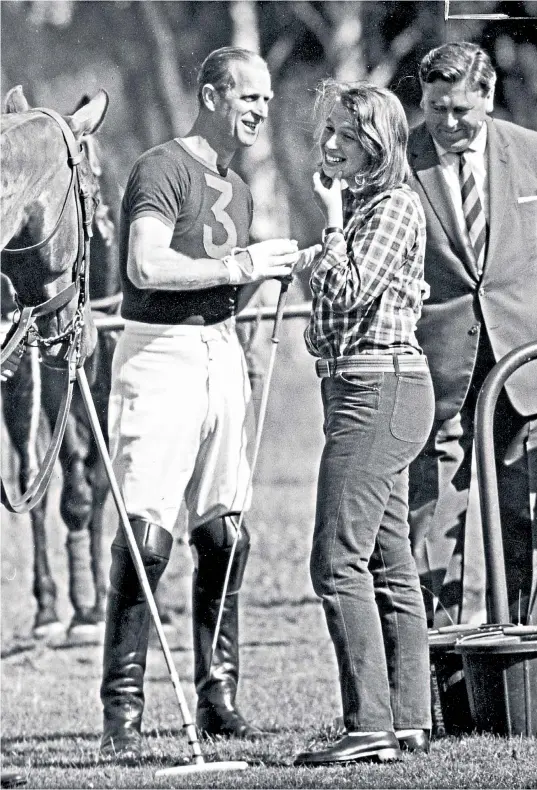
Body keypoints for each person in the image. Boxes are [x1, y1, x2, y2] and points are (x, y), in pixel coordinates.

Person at [99, 46, 311, 763]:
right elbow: (145, 264)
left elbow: (223, 281)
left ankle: (218, 696)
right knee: (146, 534)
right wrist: (240, 264)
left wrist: (275, 273)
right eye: (250, 98)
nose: (261, 111)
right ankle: (122, 714)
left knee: (225, 531)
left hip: (220, 349)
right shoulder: (162, 166)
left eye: (267, 100)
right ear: (214, 95)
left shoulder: (237, 184)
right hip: (158, 353)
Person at [293, 81, 434, 766]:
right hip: (363, 386)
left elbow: (345, 291)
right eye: (326, 132)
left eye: (343, 135)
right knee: (385, 558)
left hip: (376, 390)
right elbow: (329, 313)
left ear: (375, 143)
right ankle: (407, 719)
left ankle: (368, 725)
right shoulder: (364, 211)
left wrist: (323, 233)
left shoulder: (392, 208)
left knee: (335, 560)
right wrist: (315, 256)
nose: (328, 146)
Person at [407, 42, 537, 628]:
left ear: (485, 98)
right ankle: (442, 672)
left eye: (461, 109)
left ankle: (519, 648)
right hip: (438, 367)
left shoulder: (530, 154)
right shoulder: (398, 160)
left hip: (523, 367)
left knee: (522, 513)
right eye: (436, 109)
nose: (449, 123)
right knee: (436, 518)